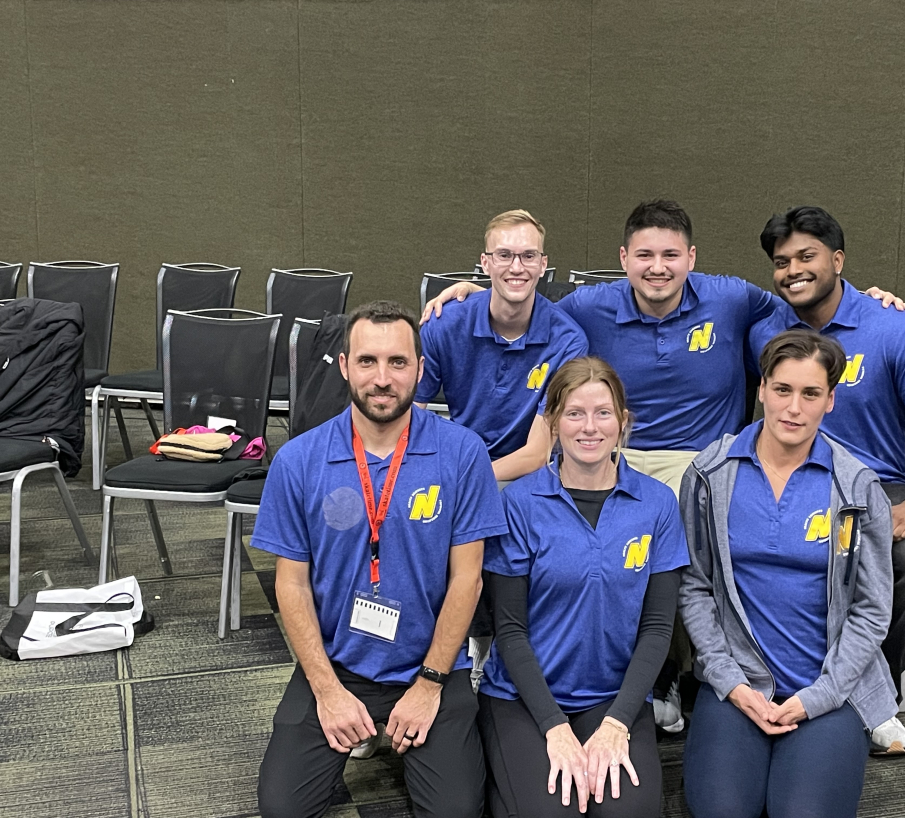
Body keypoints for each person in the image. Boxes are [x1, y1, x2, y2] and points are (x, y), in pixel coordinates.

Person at [423, 199, 905, 731]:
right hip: (612, 447)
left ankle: (670, 672)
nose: (658, 266)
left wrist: (866, 302)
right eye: (645, 255)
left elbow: (806, 301)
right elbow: (524, 295)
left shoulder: (732, 298)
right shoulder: (587, 307)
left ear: (692, 257)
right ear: (624, 258)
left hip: (696, 457)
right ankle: (540, 656)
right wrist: (471, 291)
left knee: (672, 518)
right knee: (544, 522)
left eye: (671, 255)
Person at [252, 301, 508, 818]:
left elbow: (468, 581)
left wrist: (430, 684)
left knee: (458, 812)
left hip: (430, 665)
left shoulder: (462, 453)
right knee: (282, 808)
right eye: (367, 362)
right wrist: (327, 691)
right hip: (336, 664)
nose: (383, 378)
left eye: (398, 362)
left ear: (419, 368)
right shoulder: (299, 460)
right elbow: (292, 587)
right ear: (345, 366)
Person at [748, 205, 905, 753]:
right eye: (781, 261)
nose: (792, 270)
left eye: (806, 257)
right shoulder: (765, 331)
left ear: (837, 260)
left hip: (878, 485)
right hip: (786, 478)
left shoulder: (897, 329)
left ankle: (872, 693)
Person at [678, 329, 897, 818]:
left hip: (828, 686)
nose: (793, 408)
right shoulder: (709, 475)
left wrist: (819, 696)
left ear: (830, 400)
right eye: (782, 390)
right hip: (737, 683)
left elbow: (871, 608)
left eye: (810, 394)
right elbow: (694, 587)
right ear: (761, 390)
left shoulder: (858, 489)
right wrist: (728, 680)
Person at [477, 356, 689, 817]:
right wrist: (555, 728)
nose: (589, 427)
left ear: (622, 422)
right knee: (553, 811)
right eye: (574, 413)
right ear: (552, 423)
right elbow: (509, 631)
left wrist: (617, 723)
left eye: (603, 413)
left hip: (613, 697)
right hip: (524, 697)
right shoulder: (518, 503)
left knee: (625, 812)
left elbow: (656, 630)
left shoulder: (657, 504)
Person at [416, 210, 588, 482]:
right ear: (485, 263)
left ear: (543, 265)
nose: (517, 267)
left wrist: (466, 482)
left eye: (528, 256)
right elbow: (411, 419)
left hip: (527, 477)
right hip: (456, 463)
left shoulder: (568, 341)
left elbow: (536, 453)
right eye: (504, 255)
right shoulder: (442, 324)